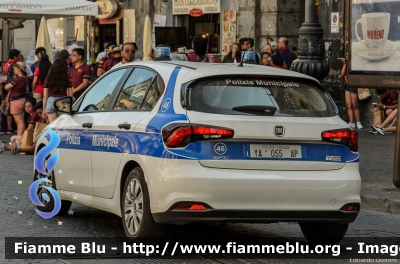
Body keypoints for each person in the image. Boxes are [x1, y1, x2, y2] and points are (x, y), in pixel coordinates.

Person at [4, 61, 28, 137]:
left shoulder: (18, 79)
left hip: (16, 101)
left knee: (19, 121)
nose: (14, 69)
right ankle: (20, 137)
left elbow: (6, 87)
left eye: (15, 67)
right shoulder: (25, 78)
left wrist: (6, 83)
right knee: (20, 121)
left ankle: (18, 138)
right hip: (21, 100)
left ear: (19, 69)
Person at [341, 57, 363, 129]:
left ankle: (358, 122)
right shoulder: (347, 64)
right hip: (347, 85)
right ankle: (351, 122)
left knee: (355, 104)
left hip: (354, 85)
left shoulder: (355, 64)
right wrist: (345, 64)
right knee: (348, 104)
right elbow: (342, 74)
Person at [2, 49, 21, 134]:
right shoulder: (17, 64)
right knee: (18, 110)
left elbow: (6, 75)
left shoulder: (6, 64)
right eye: (18, 55)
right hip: (16, 88)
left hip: (8, 87)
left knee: (8, 109)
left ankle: (9, 128)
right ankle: (18, 127)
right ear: (15, 57)